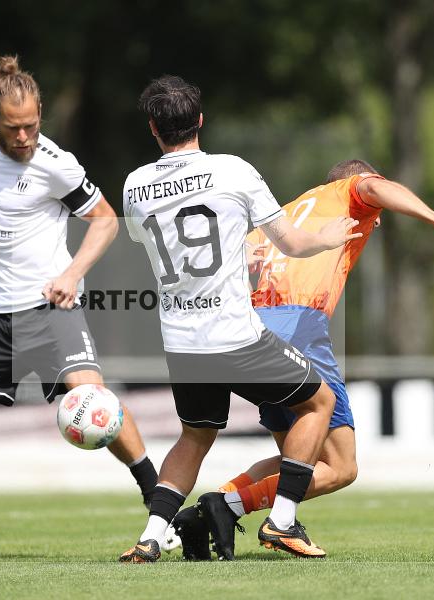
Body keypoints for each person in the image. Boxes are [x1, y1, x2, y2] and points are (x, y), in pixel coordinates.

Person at [170, 158, 434, 560]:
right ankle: (240, 509)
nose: (376, 220)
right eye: (375, 212)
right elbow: (374, 188)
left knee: (298, 458)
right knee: (340, 467)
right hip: (300, 328)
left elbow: (234, 256)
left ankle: (207, 511)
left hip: (253, 333)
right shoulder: (348, 193)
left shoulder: (285, 212)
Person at [0, 55, 158, 561]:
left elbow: (106, 221)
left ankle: (163, 513)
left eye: (32, 124)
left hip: (50, 310)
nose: (25, 136)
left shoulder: (56, 164)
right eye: (13, 128)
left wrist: (71, 274)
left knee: (95, 404)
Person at [119, 75, 365, 563]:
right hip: (234, 335)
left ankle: (150, 537)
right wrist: (328, 236)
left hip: (183, 342)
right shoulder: (234, 170)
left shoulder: (134, 185)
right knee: (318, 402)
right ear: (200, 120)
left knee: (195, 436)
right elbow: (291, 242)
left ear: (153, 128)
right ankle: (283, 520)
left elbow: (157, 243)